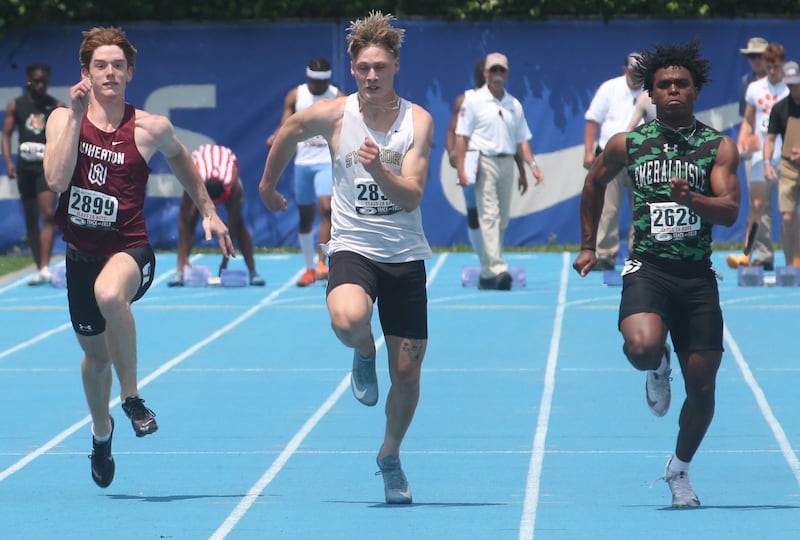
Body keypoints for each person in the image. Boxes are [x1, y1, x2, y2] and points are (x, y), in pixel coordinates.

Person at [43, 27, 234, 488]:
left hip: (130, 249)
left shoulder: (151, 127)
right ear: (85, 74)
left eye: (118, 65)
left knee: (110, 295)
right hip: (79, 254)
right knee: (95, 360)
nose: (110, 72)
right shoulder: (61, 119)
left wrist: (209, 210)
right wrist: (72, 117)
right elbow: (55, 180)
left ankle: (132, 399)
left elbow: (183, 159)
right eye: (100, 65)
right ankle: (101, 431)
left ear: (130, 72)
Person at [259, 11, 433, 505]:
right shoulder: (335, 115)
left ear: (395, 65)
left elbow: (412, 197)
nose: (372, 76)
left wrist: (378, 170)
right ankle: (363, 350)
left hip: (404, 254)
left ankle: (390, 455)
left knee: (407, 374)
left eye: (380, 67)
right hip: (353, 244)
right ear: (352, 69)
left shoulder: (417, 120)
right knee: (348, 318)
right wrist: (268, 186)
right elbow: (289, 131)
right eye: (362, 68)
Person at [573, 41, 740, 508]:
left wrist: (694, 201)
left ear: (696, 90)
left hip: (696, 275)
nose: (672, 91)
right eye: (663, 85)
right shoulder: (629, 143)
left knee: (704, 389)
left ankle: (679, 470)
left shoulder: (717, 147)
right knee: (643, 347)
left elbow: (729, 211)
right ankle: (659, 365)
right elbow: (592, 184)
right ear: (649, 92)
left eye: (681, 85)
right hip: (648, 267)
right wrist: (589, 245)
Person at [454, 52, 543, 290]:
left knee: (502, 219)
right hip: (484, 162)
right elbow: (461, 137)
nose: (497, 75)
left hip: (506, 163)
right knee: (489, 215)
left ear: (507, 74)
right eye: (493, 70)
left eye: (501, 70)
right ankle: (497, 266)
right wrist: (462, 168)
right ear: (485, 73)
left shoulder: (514, 104)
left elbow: (521, 141)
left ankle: (487, 272)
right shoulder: (472, 101)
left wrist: (530, 168)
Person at [266, 57, 344, 287]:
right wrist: (276, 137)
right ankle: (310, 268)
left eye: (323, 82)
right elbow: (286, 126)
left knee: (326, 208)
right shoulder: (295, 96)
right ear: (308, 77)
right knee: (306, 218)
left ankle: (322, 264)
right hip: (303, 163)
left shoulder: (338, 97)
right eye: (315, 82)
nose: (319, 87)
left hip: (326, 161)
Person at [2, 63, 65, 285]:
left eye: (44, 82)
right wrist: (9, 162)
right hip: (25, 169)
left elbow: (65, 137)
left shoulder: (56, 106)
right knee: (31, 219)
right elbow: (7, 134)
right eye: (36, 81)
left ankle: (46, 266)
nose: (39, 85)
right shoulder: (16, 105)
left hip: (46, 169)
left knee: (48, 214)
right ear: (29, 80)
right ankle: (39, 267)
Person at [168, 143, 265, 287]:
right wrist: (182, 261)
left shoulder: (232, 184)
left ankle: (253, 271)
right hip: (199, 167)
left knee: (238, 225)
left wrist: (224, 265)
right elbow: (183, 220)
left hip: (225, 160)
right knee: (189, 220)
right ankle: (180, 270)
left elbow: (232, 223)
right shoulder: (193, 180)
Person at [728, 42, 787, 270]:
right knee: (757, 206)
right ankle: (754, 255)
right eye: (768, 65)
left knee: (789, 209)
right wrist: (742, 144)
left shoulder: (791, 88)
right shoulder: (753, 87)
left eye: (775, 65)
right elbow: (748, 121)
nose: (771, 69)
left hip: (786, 155)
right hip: (761, 155)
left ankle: (794, 257)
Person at [583, 53, 644, 270]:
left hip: (641, 157)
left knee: (642, 208)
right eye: (633, 71)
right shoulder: (609, 88)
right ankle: (606, 254)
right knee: (608, 207)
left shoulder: (651, 91)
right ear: (625, 69)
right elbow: (593, 119)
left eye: (640, 72)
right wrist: (588, 152)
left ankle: (639, 253)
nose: (636, 76)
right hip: (610, 155)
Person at [445, 59, 486, 257]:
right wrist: (453, 152)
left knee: (492, 212)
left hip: (493, 161)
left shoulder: (504, 101)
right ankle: (483, 258)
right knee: (473, 211)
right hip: (470, 159)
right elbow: (452, 130)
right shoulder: (465, 100)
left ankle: (492, 257)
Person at [764, 61, 800, 266]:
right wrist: (768, 163)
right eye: (790, 84)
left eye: (796, 84)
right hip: (787, 167)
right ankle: (791, 263)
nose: (793, 88)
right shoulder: (780, 108)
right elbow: (769, 139)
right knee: (787, 217)